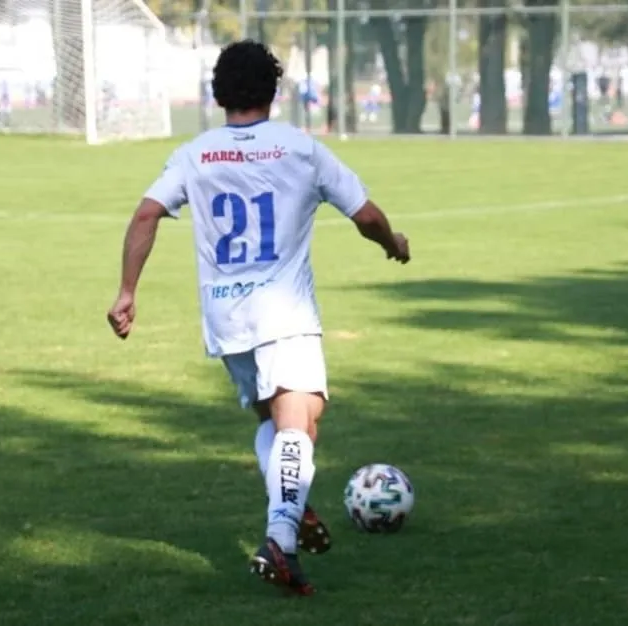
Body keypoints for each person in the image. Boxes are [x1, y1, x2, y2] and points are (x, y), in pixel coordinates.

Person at [106, 40, 410, 596]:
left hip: (227, 319)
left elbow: (147, 213)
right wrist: (394, 242)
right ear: (273, 91)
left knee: (280, 425)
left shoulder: (195, 153)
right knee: (301, 421)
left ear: (218, 94)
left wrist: (127, 290)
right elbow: (365, 215)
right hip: (284, 311)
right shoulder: (299, 148)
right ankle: (281, 539)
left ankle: (289, 505)